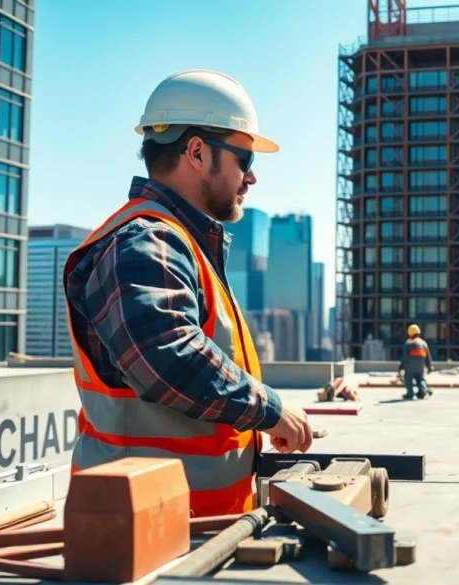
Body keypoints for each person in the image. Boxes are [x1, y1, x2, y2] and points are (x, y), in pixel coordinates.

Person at [62, 69, 313, 518]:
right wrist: (270, 409)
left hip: (183, 524)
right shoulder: (147, 241)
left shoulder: (178, 242)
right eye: (244, 159)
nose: (251, 178)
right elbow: (166, 354)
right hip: (147, 528)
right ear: (197, 152)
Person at [399, 324, 432, 400]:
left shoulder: (408, 343)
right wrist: (429, 367)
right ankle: (422, 392)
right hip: (420, 366)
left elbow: (405, 357)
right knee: (420, 379)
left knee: (408, 379)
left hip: (409, 367)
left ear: (409, 333)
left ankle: (410, 394)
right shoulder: (423, 343)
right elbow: (428, 356)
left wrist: (401, 366)